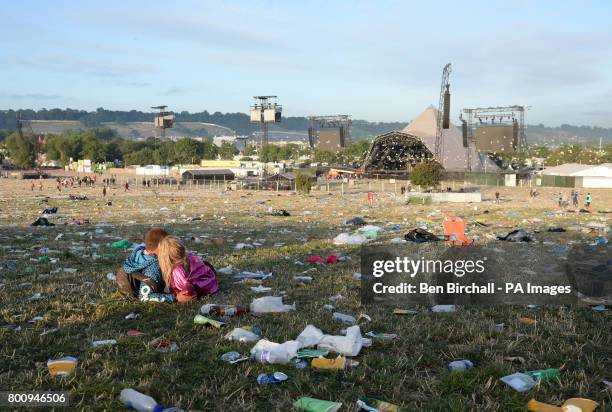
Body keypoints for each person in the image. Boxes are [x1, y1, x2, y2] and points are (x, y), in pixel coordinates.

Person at [115, 228, 175, 302]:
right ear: (161, 248)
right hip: (134, 290)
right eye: (169, 247)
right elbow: (145, 297)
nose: (171, 250)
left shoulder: (141, 252)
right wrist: (174, 298)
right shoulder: (153, 268)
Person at [158, 236, 219, 303]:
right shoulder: (191, 257)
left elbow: (186, 288)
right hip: (211, 282)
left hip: (202, 289)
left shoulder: (176, 270)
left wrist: (175, 294)